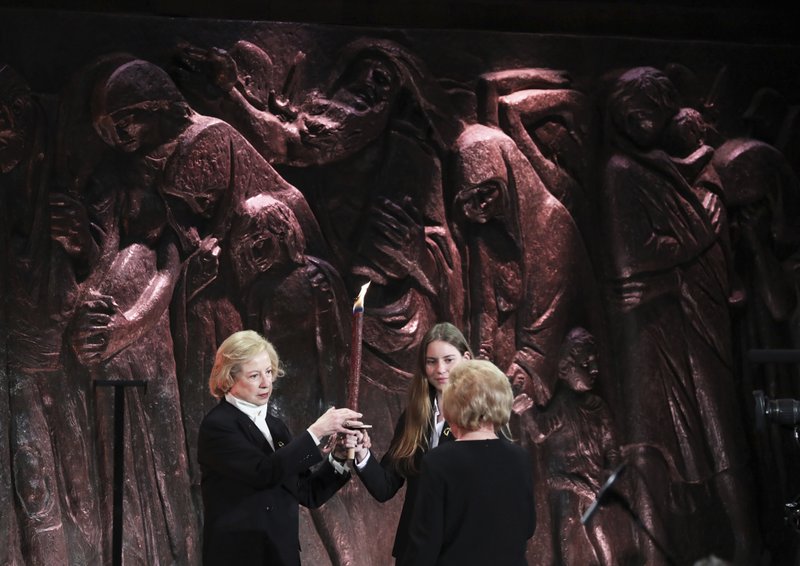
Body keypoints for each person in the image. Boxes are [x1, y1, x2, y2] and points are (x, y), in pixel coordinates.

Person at [198, 329, 365, 566]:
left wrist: (338, 457)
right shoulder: (218, 425)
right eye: (255, 375)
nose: (266, 382)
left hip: (281, 557)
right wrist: (316, 431)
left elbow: (307, 491)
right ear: (229, 378)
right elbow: (263, 472)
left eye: (268, 372)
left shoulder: (276, 427)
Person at [352, 322, 472, 562]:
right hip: (414, 553)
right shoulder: (413, 418)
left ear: (466, 359)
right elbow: (385, 486)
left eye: (449, 360)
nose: (440, 369)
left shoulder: (481, 420)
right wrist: (361, 453)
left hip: (461, 552)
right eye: (431, 361)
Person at [400, 359, 536, 566]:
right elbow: (528, 527)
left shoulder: (438, 462)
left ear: (453, 405)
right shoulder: (520, 459)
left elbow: (424, 544)